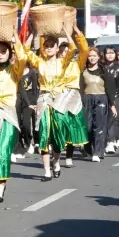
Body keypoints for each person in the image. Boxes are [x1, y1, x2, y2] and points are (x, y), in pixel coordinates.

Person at [24, 24, 78, 180]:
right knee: (44, 134)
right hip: (44, 99)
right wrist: (33, 33)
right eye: (46, 46)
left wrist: (67, 32)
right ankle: (46, 170)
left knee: (57, 136)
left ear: (56, 49)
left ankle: (56, 162)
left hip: (59, 100)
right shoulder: (39, 62)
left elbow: (73, 48)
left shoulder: (63, 62)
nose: (48, 48)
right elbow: (26, 50)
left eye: (51, 46)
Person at [0, 35, 27, 203]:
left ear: (10, 54)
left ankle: (1, 186)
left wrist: (16, 42)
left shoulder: (14, 70)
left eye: (3, 51)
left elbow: (22, 59)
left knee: (3, 150)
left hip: (7, 114)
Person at [55, 28, 89, 167]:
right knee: (57, 127)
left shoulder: (77, 64)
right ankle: (55, 155)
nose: (64, 53)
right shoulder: (55, 65)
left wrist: (76, 31)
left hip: (73, 98)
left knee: (71, 128)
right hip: (57, 97)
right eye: (62, 51)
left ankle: (69, 156)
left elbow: (85, 50)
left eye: (66, 51)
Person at [80, 47, 116, 162]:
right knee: (88, 127)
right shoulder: (83, 72)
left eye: (94, 56)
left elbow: (110, 89)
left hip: (101, 99)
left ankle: (98, 151)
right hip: (87, 99)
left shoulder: (104, 71)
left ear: (99, 57)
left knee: (99, 127)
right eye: (90, 56)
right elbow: (80, 88)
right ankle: (89, 148)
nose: (92, 58)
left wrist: (112, 104)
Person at [102, 46, 119, 153]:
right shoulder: (101, 67)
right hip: (103, 96)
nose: (110, 55)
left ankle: (111, 142)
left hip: (117, 96)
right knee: (104, 120)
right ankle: (108, 140)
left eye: (112, 53)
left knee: (113, 119)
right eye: (108, 53)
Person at [15, 61, 39, 158]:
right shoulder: (16, 71)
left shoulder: (32, 72)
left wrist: (34, 103)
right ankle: (19, 144)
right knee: (17, 122)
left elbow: (34, 89)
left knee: (26, 123)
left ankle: (29, 141)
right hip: (18, 97)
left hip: (29, 99)